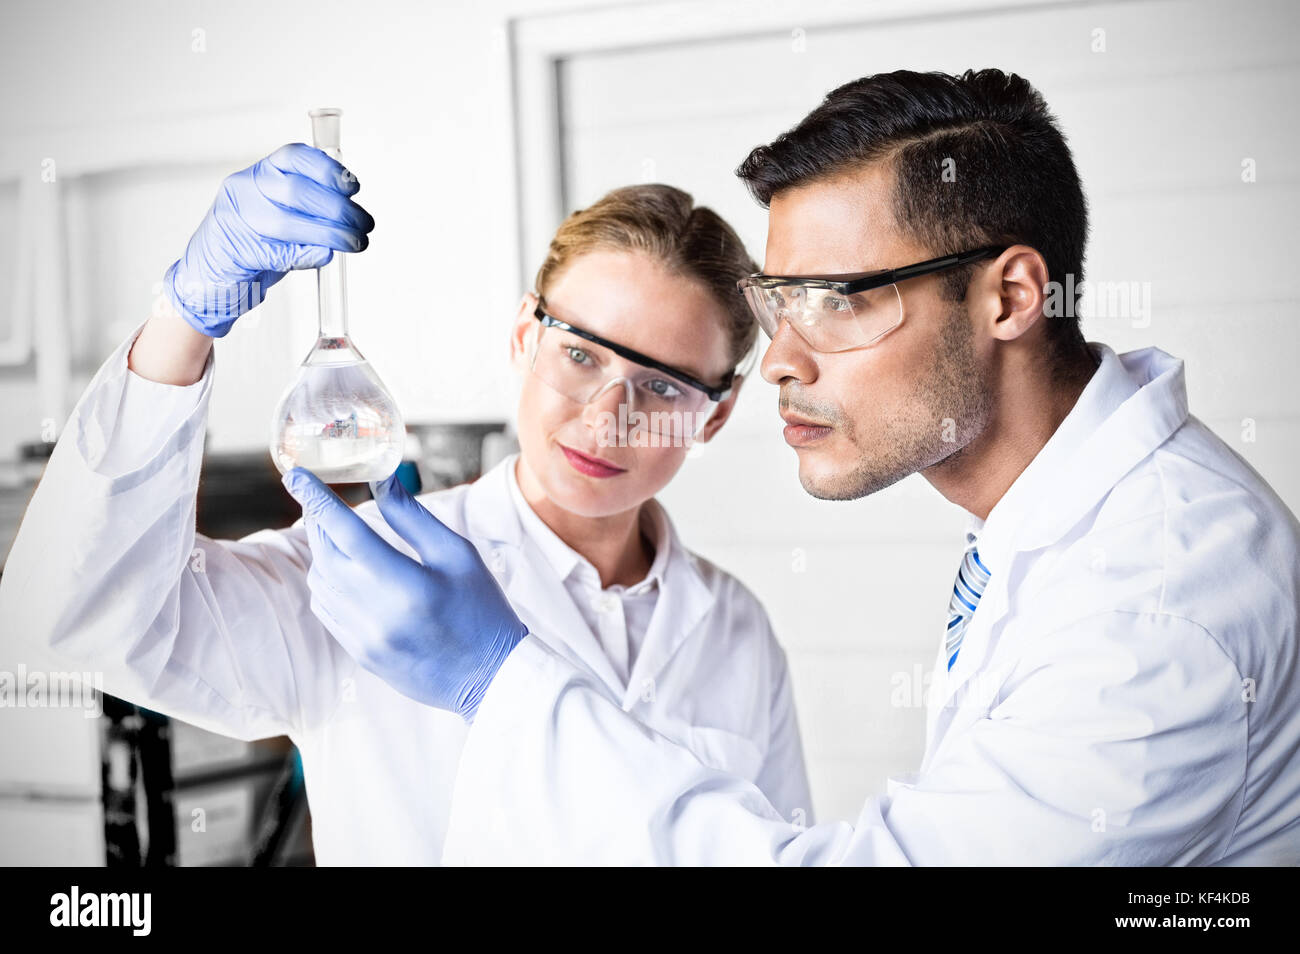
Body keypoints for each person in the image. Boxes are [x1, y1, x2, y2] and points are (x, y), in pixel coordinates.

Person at [282, 68, 1300, 865]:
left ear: (1011, 295)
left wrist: (498, 682)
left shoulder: (1153, 604)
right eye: (779, 304)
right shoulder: (1057, 517)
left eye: (839, 299)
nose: (778, 359)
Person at [0, 148, 814, 863]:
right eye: (577, 353)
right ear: (525, 339)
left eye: (663, 385)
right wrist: (182, 318)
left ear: (716, 410)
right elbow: (77, 618)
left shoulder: (737, 630)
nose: (607, 416)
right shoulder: (366, 569)